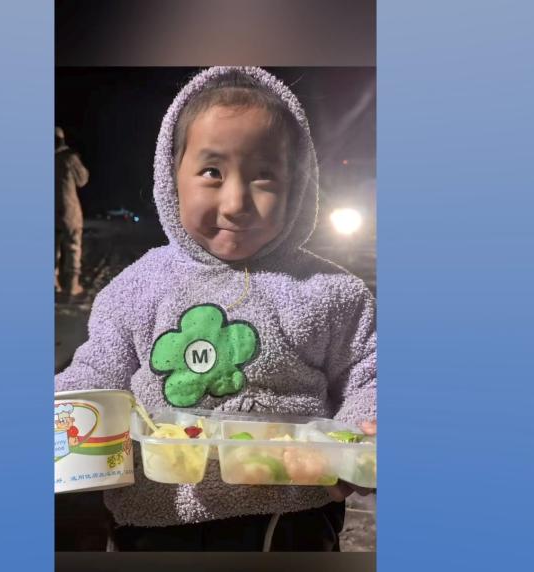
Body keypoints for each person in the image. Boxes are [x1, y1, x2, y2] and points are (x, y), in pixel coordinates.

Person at [54, 67, 376, 551]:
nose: (235, 202)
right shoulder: (137, 288)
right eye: (212, 173)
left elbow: (368, 375)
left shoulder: (330, 293)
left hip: (289, 518)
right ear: (172, 177)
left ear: (297, 184)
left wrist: (364, 431)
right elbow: (98, 372)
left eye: (264, 175)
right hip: (155, 516)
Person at [55, 126, 90, 299]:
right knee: (72, 246)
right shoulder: (69, 158)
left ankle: (54, 285)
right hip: (68, 210)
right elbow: (82, 180)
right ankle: (72, 286)